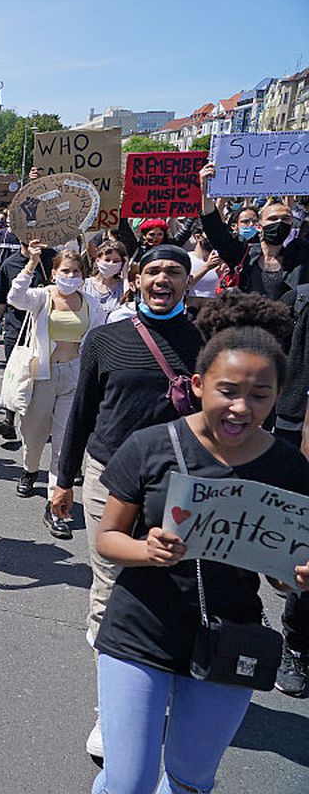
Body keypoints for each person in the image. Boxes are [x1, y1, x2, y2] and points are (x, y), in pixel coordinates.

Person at [90, 305, 309, 794]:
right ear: (196, 385)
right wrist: (148, 551)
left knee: (189, 781)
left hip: (230, 635)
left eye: (260, 395)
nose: (241, 408)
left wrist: (292, 575)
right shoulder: (150, 446)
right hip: (139, 629)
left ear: (278, 397)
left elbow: (279, 569)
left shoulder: (288, 467)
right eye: (227, 391)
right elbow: (108, 540)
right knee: (128, 780)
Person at [52, 243, 204, 761]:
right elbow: (82, 413)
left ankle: (157, 685)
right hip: (108, 480)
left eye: (175, 272)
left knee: (170, 581)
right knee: (110, 585)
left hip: (180, 485)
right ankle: (111, 710)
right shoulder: (105, 340)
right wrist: (63, 477)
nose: (164, 279)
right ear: (136, 279)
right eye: (155, 270)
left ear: (188, 281)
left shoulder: (206, 342)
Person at [9, 243, 108, 538]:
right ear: (54, 273)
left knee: (65, 441)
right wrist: (31, 263)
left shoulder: (91, 303)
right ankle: (29, 469)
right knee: (33, 433)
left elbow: (98, 339)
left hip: (74, 376)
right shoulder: (41, 297)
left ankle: (55, 504)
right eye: (65, 271)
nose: (71, 276)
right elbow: (15, 297)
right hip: (41, 375)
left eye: (76, 271)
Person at [198, 164, 309, 300]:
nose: (279, 222)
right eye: (273, 218)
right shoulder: (242, 253)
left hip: (288, 320)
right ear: (258, 226)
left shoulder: (301, 255)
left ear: (292, 224)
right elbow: (215, 230)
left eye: (285, 219)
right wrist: (205, 191)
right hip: (246, 318)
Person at [0, 243, 54, 441]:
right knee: (14, 374)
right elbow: (1, 300)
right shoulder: (10, 264)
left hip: (44, 329)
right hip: (16, 329)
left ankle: (43, 422)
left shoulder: (52, 259)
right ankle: (8, 421)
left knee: (41, 378)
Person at [83, 238, 127, 314]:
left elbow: (128, 307)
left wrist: (126, 274)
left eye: (116, 261)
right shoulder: (84, 285)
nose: (111, 264)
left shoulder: (123, 286)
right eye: (107, 260)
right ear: (97, 261)